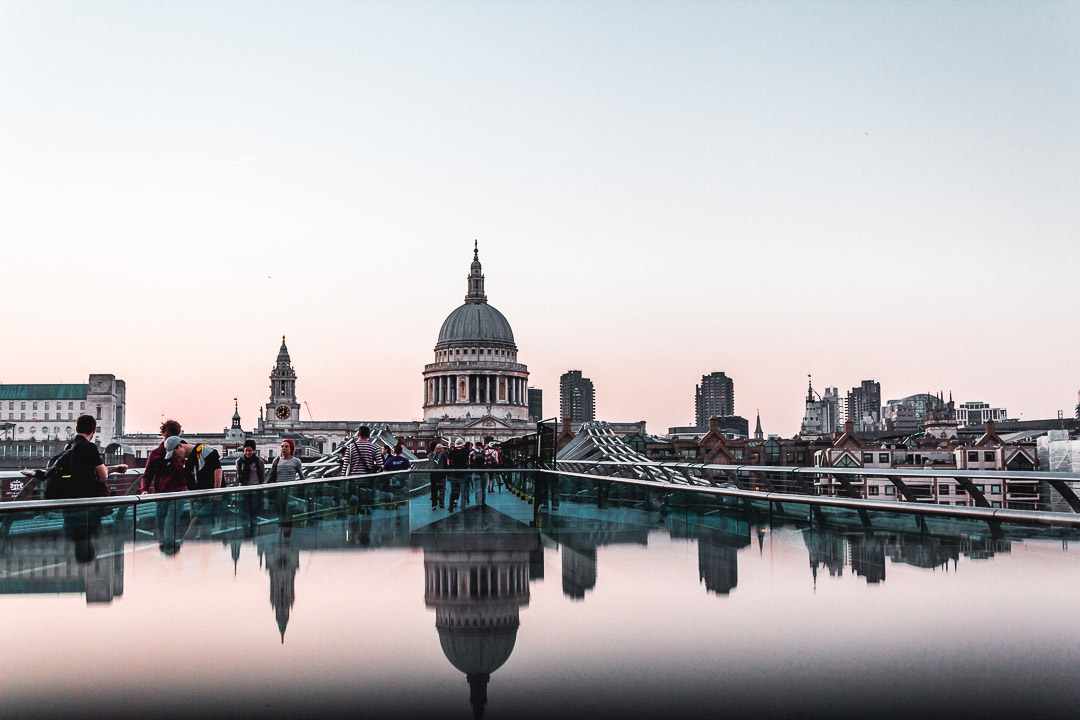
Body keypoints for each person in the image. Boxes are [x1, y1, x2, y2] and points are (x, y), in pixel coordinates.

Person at [142, 420, 190, 553]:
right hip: (162, 494)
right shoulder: (156, 454)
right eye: (168, 437)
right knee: (160, 522)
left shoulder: (181, 450)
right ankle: (165, 547)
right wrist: (144, 490)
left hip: (177, 493)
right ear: (163, 435)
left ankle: (169, 548)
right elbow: (148, 474)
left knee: (169, 521)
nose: (170, 440)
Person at [180, 439, 223, 538]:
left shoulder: (205, 451)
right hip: (201, 500)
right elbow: (190, 486)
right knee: (205, 528)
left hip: (212, 499)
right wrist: (191, 507)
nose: (176, 456)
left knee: (195, 525)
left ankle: (183, 547)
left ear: (180, 446)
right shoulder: (188, 462)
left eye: (175, 452)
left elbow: (218, 470)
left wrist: (217, 493)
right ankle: (204, 551)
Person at [235, 439, 266, 533]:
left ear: (254, 451)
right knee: (243, 512)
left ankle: (253, 531)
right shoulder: (239, 461)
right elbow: (238, 474)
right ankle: (246, 532)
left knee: (254, 512)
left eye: (250, 451)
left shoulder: (258, 461)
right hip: (243, 489)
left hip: (255, 489)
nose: (248, 453)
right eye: (246, 451)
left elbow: (262, 475)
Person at [447, 438, 470, 512]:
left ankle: (450, 507)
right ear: (462, 444)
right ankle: (462, 507)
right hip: (463, 474)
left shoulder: (451, 452)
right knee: (463, 492)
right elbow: (468, 463)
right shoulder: (466, 452)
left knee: (452, 492)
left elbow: (448, 463)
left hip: (454, 474)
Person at [428, 442, 448, 510]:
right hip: (441, 474)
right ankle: (441, 504)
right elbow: (446, 465)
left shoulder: (430, 455)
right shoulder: (443, 455)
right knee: (442, 489)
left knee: (434, 490)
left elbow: (429, 465)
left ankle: (434, 505)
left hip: (433, 474)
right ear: (441, 449)